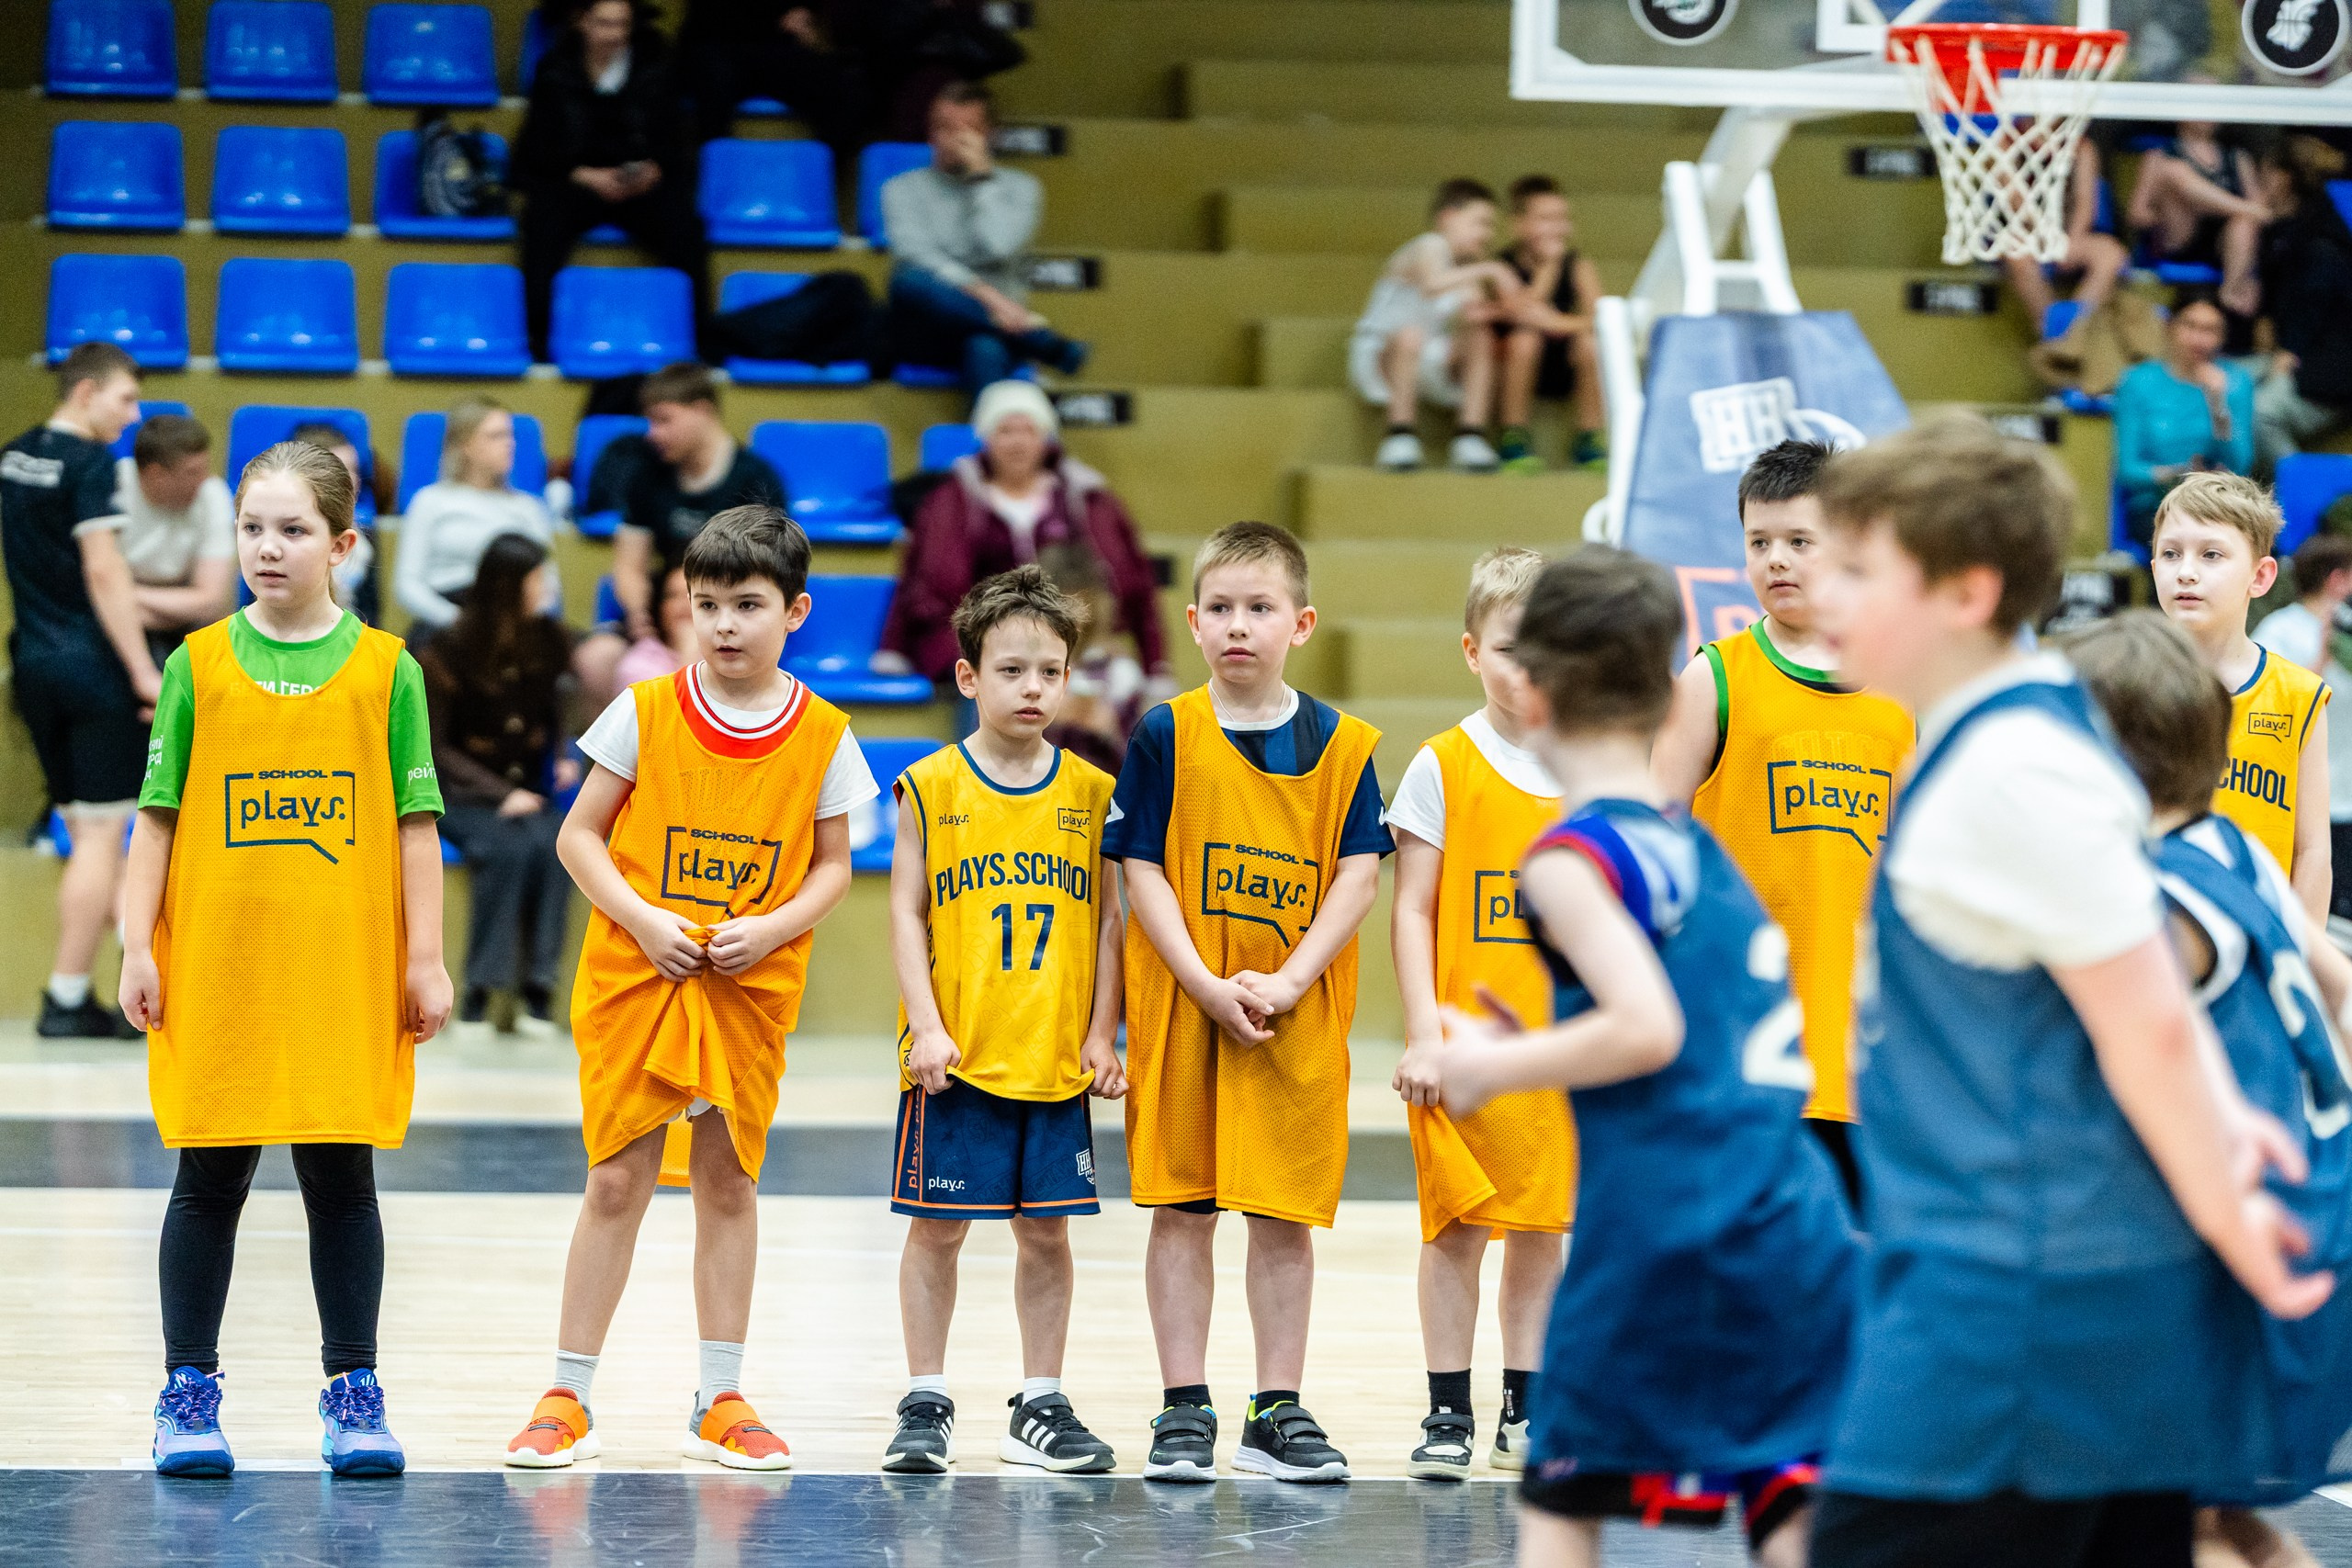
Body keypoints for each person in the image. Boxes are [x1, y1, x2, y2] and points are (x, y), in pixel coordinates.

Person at [1805, 417, 2323, 1568]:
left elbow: (2145, 1021)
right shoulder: (1994, 739)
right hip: (2043, 1294)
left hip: (2022, 1313)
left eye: (1856, 568)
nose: (1817, 591)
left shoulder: (2015, 769)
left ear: (1964, 591)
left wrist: (2243, 1230)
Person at [1430, 546, 1853, 1567]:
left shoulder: (1578, 857)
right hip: (1793, 1221)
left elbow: (1646, 1028)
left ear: (1525, 689)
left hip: (1673, 1231)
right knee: (1784, 1501)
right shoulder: (1697, 845)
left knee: (1562, 1501)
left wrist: (1496, 1067)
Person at [504, 505, 876, 1471]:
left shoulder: (827, 734)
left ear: (794, 611)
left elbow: (833, 868)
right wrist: (645, 919)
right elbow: (577, 837)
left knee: (728, 1182)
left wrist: (774, 926)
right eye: (705, 603)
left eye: (746, 605)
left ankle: (719, 1396)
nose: (723, 625)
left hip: (748, 983)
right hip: (639, 971)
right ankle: (566, 1393)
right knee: (615, 1179)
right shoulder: (643, 710)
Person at [119, 439, 452, 1478]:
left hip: (342, 969)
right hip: (221, 964)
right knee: (207, 1177)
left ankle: (353, 1392)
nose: (268, 546)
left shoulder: (388, 669)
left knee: (340, 1180)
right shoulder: (195, 664)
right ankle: (187, 1391)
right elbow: (158, 819)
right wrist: (138, 941)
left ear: (343, 544)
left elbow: (414, 826)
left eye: (293, 529)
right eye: (253, 528)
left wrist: (427, 958)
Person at [2063, 611, 2351, 1568]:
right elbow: (2341, 987)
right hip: (2312, 1210)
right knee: (2225, 1516)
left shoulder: (2157, 900)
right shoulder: (2238, 851)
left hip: (2236, 1244)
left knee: (2173, 1522)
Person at [1106, 521, 1392, 1483]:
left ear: (1300, 623)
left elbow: (1359, 875)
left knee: (1281, 1218)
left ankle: (1277, 1407)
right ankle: (1182, 1405)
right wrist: (1197, 980)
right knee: (1182, 1210)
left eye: (1259, 608)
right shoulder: (1162, 733)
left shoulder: (1345, 745)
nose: (1239, 626)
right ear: (1191, 622)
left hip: (1289, 1016)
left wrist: (1292, 978)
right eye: (1220, 609)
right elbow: (1138, 867)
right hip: (1188, 1006)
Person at [882, 566, 1125, 1476]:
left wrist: (1105, 1033)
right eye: (1013, 669)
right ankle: (925, 1395)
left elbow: (1111, 925)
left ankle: (1041, 1398)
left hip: (1055, 1053)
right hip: (960, 1052)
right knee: (936, 1228)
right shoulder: (930, 785)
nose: (1033, 688)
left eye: (1050, 672)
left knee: (1046, 1232)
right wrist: (925, 1024)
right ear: (968, 677)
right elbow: (904, 911)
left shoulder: (1093, 795)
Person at [1651, 439, 1914, 1205]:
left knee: (1861, 1272)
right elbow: (1654, 843)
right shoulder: (1714, 677)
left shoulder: (1904, 689)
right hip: (1745, 1028)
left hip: (1867, 1036)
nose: (1777, 560)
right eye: (1759, 542)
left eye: (1800, 541)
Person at [1385, 547, 1569, 1482]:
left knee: (1543, 1231)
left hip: (1552, 1050)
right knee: (1455, 1230)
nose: (1527, 662)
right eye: (1507, 645)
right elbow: (1411, 908)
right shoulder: (1440, 765)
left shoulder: (1594, 771)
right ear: (1469, 651)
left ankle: (1525, 1410)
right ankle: (1446, 1410)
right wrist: (1423, 1030)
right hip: (1459, 1051)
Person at [2, 343, 161, 1038]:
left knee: (88, 829)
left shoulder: (14, 455)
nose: (131, 416)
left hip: (32, 661)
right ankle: (68, 995)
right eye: (125, 399)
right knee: (102, 834)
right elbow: (105, 573)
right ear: (88, 390)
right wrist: (141, 671)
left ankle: (125, 991)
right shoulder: (92, 463)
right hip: (91, 669)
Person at [876, 379, 1169, 701]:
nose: (1018, 442)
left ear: (1045, 437)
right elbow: (921, 580)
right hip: (980, 640)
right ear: (985, 437)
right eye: (1006, 431)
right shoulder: (951, 500)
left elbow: (1135, 581)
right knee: (999, 682)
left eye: (1029, 430)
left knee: (1119, 682)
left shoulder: (1086, 497)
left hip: (1074, 643)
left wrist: (1156, 664)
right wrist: (893, 648)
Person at [2152, 472, 2332, 923]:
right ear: (2153, 568)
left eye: (2211, 554)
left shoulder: (2300, 694)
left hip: (2258, 944)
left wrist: (2295, 961)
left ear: (2261, 576)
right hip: (2154, 940)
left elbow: (2311, 851)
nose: (2186, 570)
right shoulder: (2124, 685)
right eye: (2171, 554)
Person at [419, 533, 579, 1037]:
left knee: (559, 845)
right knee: (505, 849)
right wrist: (500, 793)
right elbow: (435, 748)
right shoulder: (444, 649)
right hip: (460, 793)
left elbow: (553, 707)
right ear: (510, 586)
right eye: (537, 579)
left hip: (525, 791)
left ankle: (538, 990)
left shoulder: (547, 639)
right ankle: (478, 994)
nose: (546, 587)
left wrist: (559, 756)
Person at [575, 363, 786, 705]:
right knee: (595, 658)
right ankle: (610, 759)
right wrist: (641, 618)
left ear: (701, 411)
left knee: (692, 656)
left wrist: (716, 619)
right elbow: (629, 564)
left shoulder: (755, 481)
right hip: (667, 608)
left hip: (729, 617)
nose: (652, 434)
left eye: (663, 420)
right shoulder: (648, 475)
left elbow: (772, 575)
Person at [514, 0, 708, 363]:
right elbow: (534, 152)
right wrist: (584, 175)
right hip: (578, 183)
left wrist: (653, 170)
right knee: (542, 222)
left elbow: (674, 145)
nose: (615, 35)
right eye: (605, 25)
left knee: (686, 228)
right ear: (581, 23)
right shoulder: (554, 72)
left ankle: (700, 344)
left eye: (622, 26)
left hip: (641, 186)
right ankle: (539, 341)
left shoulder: (656, 69)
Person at [882, 82, 1087, 391]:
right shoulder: (900, 189)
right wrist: (989, 298)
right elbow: (917, 255)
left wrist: (981, 178)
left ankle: (983, 439)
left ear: (990, 135)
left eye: (969, 130)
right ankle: (1040, 341)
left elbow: (998, 247)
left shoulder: (1023, 189)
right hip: (932, 331)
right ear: (930, 132)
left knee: (984, 348)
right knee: (908, 279)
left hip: (997, 335)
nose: (955, 139)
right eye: (944, 128)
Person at [1353, 178, 1520, 474]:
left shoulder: (1467, 266)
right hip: (1384, 356)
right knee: (1409, 335)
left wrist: (1505, 307)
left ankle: (1471, 434)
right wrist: (1491, 269)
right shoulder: (1428, 245)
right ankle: (1399, 433)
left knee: (1480, 337)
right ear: (1447, 217)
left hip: (1431, 358)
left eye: (1490, 226)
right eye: (1480, 222)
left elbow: (1472, 315)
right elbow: (1432, 285)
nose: (1487, 234)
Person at [2254, 533, 2352, 943]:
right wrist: (2323, 654)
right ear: (2337, 579)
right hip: (2306, 807)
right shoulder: (2280, 630)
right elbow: (2272, 712)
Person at [393, 398, 557, 639]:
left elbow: (548, 587)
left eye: (510, 435)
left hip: (516, 622)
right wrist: (460, 622)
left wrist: (513, 625)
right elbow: (407, 584)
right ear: (466, 445)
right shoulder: (430, 500)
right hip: (447, 622)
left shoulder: (528, 508)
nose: (509, 444)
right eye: (496, 436)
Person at [2114, 296, 2256, 549]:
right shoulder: (2137, 382)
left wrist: (2218, 405)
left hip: (2216, 503)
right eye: (2190, 326)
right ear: (2170, 327)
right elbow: (2127, 469)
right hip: (2156, 504)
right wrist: (2179, 475)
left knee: (2251, 545)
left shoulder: (2234, 382)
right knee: (2188, 544)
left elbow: (2240, 463)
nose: (2199, 339)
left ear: (2222, 338)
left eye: (2210, 330)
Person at [1491, 176, 1608, 473]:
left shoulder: (1579, 264)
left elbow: (1603, 317)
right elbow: (1522, 311)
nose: (1556, 228)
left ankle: (1589, 438)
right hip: (1513, 364)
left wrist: (1558, 323)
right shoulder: (1501, 266)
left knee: (1590, 343)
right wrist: (1549, 267)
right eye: (1545, 219)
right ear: (1517, 224)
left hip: (1562, 362)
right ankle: (1513, 437)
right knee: (1525, 339)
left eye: (1562, 219)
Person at [2253, 137, 2352, 475]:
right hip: (2297, 355)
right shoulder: (2288, 233)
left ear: (2284, 178)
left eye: (2265, 173)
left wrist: (2289, 348)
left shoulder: (2321, 242)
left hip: (2329, 371)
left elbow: (2314, 305)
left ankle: (2300, 498)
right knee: (2227, 379)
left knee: (2260, 412)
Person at [115, 412, 235, 663]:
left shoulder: (213, 495)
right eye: (193, 472)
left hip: (187, 627)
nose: (204, 480)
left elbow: (210, 603)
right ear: (157, 474)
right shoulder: (112, 487)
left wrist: (122, 595)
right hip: (115, 625)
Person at [2128, 107, 2267, 318]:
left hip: (2224, 244)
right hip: (2177, 236)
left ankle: (2229, 293)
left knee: (2245, 223)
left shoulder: (2237, 157)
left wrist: (2252, 273)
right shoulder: (2160, 155)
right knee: (2174, 171)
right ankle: (2233, 207)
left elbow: (2260, 215)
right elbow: (2136, 213)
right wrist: (2172, 204)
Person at [2004, 142, 2131, 372]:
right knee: (2016, 251)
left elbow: (2085, 202)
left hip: (2072, 233)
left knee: (2111, 254)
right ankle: (2057, 343)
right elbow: (2016, 203)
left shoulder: (2082, 146)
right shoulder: (2008, 142)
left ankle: (2072, 337)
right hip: (2029, 232)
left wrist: (2070, 241)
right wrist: (2049, 238)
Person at [290, 423, 382, 623]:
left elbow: (371, 611)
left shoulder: (365, 534)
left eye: (355, 471)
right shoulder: (286, 534)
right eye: (340, 470)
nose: (352, 481)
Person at [613, 565, 698, 688]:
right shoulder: (637, 663)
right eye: (673, 595)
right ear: (659, 607)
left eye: (693, 595)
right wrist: (690, 652)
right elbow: (671, 705)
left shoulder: (726, 655)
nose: (683, 605)